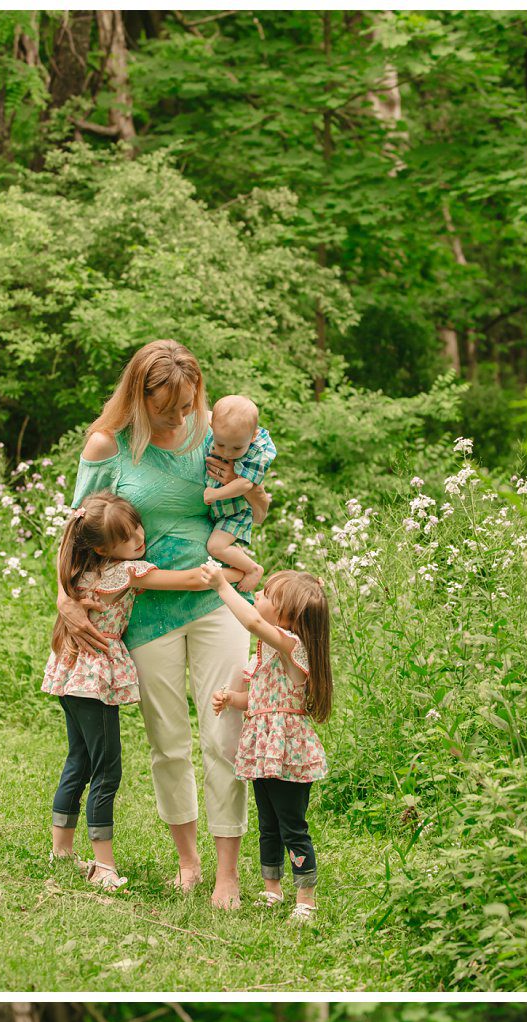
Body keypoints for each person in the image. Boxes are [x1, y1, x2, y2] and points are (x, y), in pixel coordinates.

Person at [59, 340, 271, 905]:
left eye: (187, 405)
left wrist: (254, 495)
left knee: (225, 735)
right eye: (165, 409)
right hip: (145, 616)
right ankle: (188, 860)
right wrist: (65, 599)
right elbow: (78, 532)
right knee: (169, 742)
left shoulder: (218, 430)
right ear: (138, 396)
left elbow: (254, 504)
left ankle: (228, 871)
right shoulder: (108, 445)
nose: (180, 419)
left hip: (215, 600)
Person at [43, 493, 222, 892]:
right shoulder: (127, 572)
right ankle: (103, 866)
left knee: (80, 760)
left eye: (138, 527)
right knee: (106, 770)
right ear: (103, 548)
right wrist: (232, 575)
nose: (140, 537)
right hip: (93, 680)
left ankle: (62, 851)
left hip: (70, 674)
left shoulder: (78, 568)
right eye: (127, 537)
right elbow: (190, 580)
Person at [207, 569, 331, 922]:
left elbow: (251, 622)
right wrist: (232, 699)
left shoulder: (294, 647)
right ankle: (272, 889)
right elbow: (261, 699)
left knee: (292, 825)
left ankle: (306, 898)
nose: (258, 595)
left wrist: (221, 585)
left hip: (287, 753)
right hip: (264, 751)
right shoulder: (270, 653)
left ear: (288, 615)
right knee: (268, 823)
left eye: (267, 594)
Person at [200, 395, 276, 592]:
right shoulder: (216, 425)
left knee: (216, 547)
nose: (227, 453)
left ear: (253, 436)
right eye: (220, 444)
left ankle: (253, 569)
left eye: (236, 448)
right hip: (219, 511)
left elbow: (245, 484)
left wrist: (214, 494)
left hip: (236, 512)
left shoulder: (259, 449)